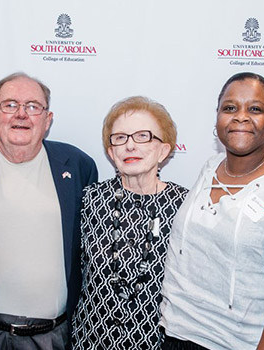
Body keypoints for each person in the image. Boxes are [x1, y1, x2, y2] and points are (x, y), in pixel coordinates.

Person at [160, 72, 264, 349]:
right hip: (177, 334)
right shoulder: (209, 169)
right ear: (217, 118)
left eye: (255, 109)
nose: (241, 117)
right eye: (230, 108)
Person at [0, 72, 98, 350]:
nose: (21, 114)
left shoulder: (78, 165)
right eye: (9, 105)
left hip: (55, 335)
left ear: (47, 120)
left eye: (33, 106)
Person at [71, 96, 188, 349]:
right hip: (91, 341)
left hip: (156, 343)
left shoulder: (185, 205)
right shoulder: (90, 199)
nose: (130, 146)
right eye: (120, 138)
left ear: (163, 150)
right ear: (111, 152)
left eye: (143, 136)